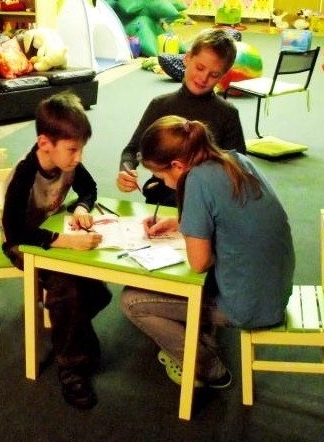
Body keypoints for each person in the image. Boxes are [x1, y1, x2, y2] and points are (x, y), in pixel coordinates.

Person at [120, 116, 295, 390]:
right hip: (275, 288)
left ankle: (209, 367)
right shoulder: (234, 159)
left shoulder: (197, 181)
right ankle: (201, 340)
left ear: (177, 165)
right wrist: (183, 224)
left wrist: (198, 238)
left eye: (161, 176)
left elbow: (199, 263)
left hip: (246, 305)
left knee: (132, 300)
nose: (163, 183)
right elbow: (232, 217)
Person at [1, 91, 111, 410]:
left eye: (81, 149)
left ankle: (71, 328)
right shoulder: (24, 173)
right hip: (22, 244)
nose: (78, 158)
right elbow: (14, 231)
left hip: (52, 233)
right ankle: (71, 369)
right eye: (72, 149)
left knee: (97, 292)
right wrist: (66, 241)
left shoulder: (68, 163)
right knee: (66, 289)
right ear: (45, 143)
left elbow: (89, 188)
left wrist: (81, 207)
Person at [116, 27, 246, 207]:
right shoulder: (160, 105)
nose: (203, 78)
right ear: (187, 58)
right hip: (163, 197)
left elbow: (237, 168)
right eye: (200, 67)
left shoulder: (227, 114)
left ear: (223, 75)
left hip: (207, 201)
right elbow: (132, 150)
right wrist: (126, 170)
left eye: (214, 74)